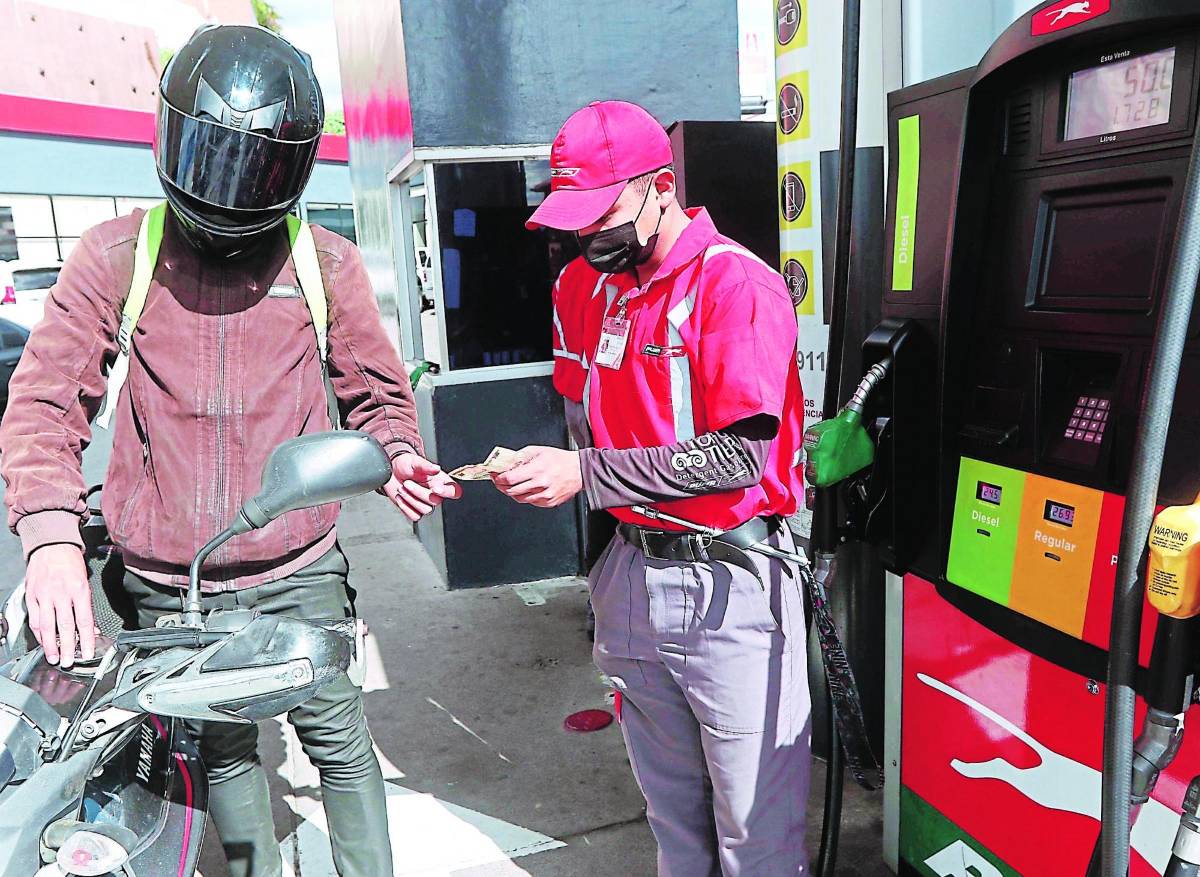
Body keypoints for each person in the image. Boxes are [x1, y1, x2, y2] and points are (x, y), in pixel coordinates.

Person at [0, 25, 460, 877]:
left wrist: (396, 450)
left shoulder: (323, 262)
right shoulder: (116, 255)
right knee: (223, 751)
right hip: (170, 586)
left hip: (297, 569)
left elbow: (376, 389)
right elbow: (43, 401)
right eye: (213, 162)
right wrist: (51, 533)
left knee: (339, 740)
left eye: (256, 173)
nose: (229, 192)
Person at [497, 99, 811, 875]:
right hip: (631, 576)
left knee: (756, 840)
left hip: (728, 586)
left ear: (661, 188)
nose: (586, 237)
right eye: (574, 220)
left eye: (602, 215)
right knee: (675, 828)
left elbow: (739, 458)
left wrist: (586, 475)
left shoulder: (734, 284)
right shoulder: (583, 287)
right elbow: (582, 414)